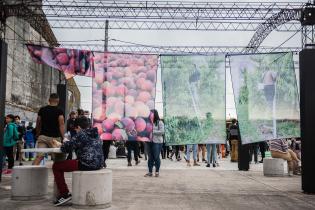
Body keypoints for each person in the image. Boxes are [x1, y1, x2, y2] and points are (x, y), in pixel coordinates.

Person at [52, 116, 104, 206]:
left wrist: (60, 144)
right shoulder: (96, 134)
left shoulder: (81, 134)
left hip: (87, 164)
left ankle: (64, 194)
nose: (76, 131)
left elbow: (66, 148)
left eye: (76, 129)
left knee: (56, 166)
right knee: (71, 162)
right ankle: (64, 193)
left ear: (78, 127)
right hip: (99, 163)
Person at [33, 93, 65, 165]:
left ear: (49, 100)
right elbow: (61, 125)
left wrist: (38, 134)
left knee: (39, 157)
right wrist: (64, 137)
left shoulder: (42, 110)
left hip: (43, 137)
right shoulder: (59, 111)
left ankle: (30, 174)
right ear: (58, 101)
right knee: (57, 159)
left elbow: (38, 123)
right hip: (55, 139)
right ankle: (57, 175)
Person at [145, 110, 164, 177]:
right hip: (149, 142)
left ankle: (157, 171)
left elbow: (162, 132)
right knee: (150, 157)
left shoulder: (160, 122)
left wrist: (152, 131)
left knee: (156, 157)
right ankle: (150, 172)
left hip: (157, 142)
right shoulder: (148, 122)